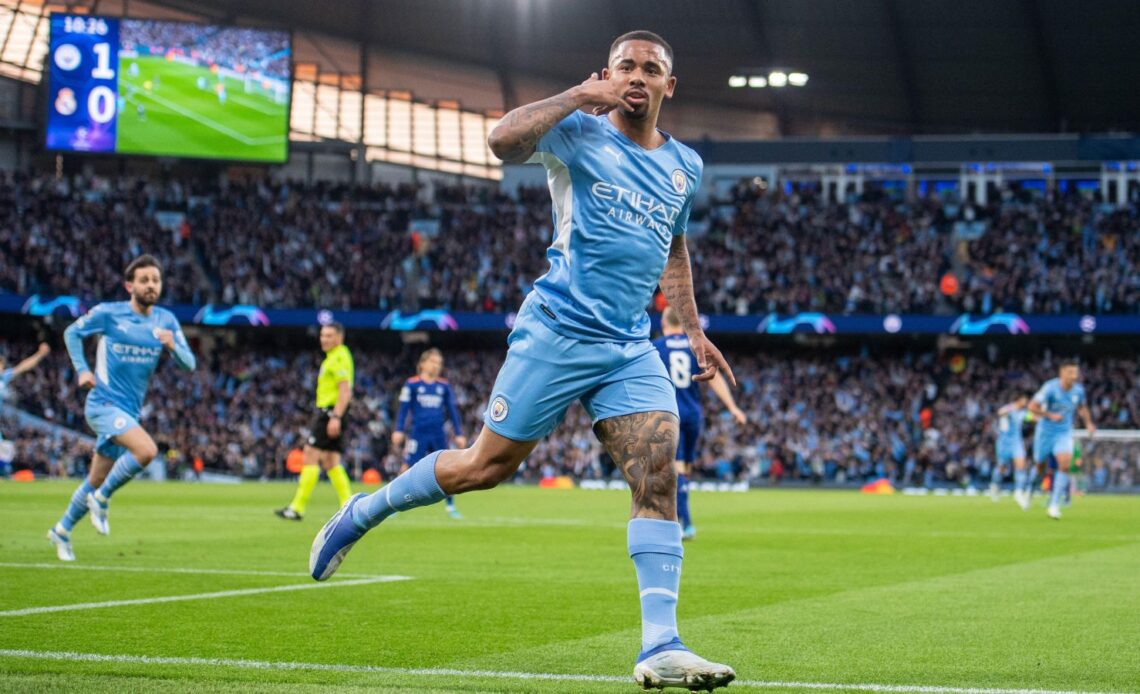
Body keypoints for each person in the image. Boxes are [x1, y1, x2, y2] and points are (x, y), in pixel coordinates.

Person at [310, 30, 737, 690]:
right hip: (557, 332)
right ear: (608, 74)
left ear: (668, 86)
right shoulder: (579, 132)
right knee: (484, 468)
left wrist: (692, 328)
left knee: (656, 472)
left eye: (652, 68)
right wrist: (574, 96)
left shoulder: (686, 166)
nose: (638, 75)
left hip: (628, 345)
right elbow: (502, 141)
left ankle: (661, 644)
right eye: (626, 65)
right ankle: (363, 512)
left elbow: (674, 248)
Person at [48, 255, 196, 561]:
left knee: (95, 478)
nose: (151, 285)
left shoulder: (166, 321)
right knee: (146, 451)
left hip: (129, 411)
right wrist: (82, 370)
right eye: (144, 280)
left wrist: (173, 347)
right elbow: (71, 332)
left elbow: (190, 364)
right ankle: (101, 500)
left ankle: (61, 530)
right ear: (130, 285)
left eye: (155, 280)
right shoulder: (109, 314)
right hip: (102, 404)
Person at [653, 306, 745, 540]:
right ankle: (681, 517)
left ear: (664, 324)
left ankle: (686, 523)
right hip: (693, 414)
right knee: (685, 469)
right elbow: (714, 379)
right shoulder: (694, 347)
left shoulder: (656, 348)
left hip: (670, 413)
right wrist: (732, 407)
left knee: (676, 470)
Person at [275, 323, 354, 520]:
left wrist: (335, 417)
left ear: (339, 337)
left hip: (330, 412)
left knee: (310, 454)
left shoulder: (338, 357)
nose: (324, 339)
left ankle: (297, 508)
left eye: (329, 336)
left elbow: (345, 391)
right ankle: (349, 505)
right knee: (330, 461)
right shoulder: (337, 356)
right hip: (333, 413)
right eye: (322, 335)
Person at [392, 348, 467, 519]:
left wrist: (459, 433)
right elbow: (403, 410)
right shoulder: (412, 384)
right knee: (406, 467)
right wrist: (398, 429)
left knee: (447, 468)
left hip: (438, 434)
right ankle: (393, 505)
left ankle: (450, 506)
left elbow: (452, 411)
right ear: (422, 364)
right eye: (433, 362)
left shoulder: (444, 386)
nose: (436, 366)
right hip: (418, 433)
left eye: (439, 363)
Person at [1027, 361, 1095, 520]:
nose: (1074, 376)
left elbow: (1082, 407)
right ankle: (1030, 490)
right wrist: (1050, 416)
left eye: (1076, 373)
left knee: (1064, 464)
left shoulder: (1078, 391)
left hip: (1063, 433)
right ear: (1062, 373)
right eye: (1071, 373)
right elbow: (1032, 407)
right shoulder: (1050, 388)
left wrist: (1089, 423)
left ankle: (1054, 504)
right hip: (1045, 433)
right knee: (1040, 466)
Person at [992, 395, 1029, 507]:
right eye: (1025, 400)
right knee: (1002, 468)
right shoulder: (1009, 409)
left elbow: (1031, 417)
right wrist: (1008, 411)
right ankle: (995, 485)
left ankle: (1019, 492)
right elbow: (1000, 412)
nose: (1026, 402)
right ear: (1019, 400)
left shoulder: (1023, 412)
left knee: (1021, 465)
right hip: (1004, 443)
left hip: (1016, 443)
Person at [0, 342, 52, 420]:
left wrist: (40, 354)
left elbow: (23, 366)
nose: (2, 367)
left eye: (2, 365)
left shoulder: (4, 376)